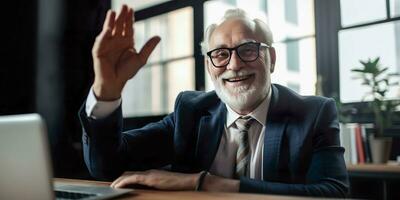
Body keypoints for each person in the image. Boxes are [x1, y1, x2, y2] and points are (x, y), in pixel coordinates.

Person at [79, 4, 349, 197]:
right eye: (220, 54)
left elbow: (332, 192)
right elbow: (107, 166)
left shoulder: (314, 112)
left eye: (248, 50)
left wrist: (204, 183)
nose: (234, 65)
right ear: (209, 67)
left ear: (272, 59)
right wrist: (107, 90)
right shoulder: (192, 111)